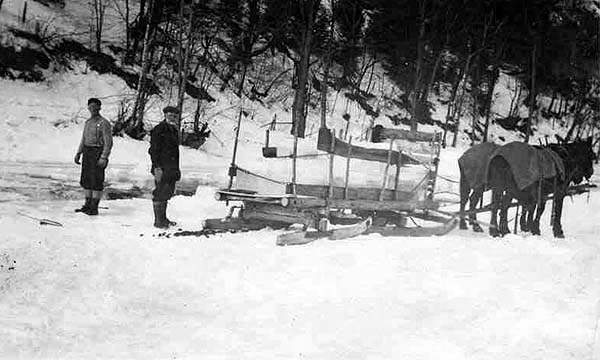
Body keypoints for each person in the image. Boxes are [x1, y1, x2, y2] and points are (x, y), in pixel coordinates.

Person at [74, 98, 113, 215]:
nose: (93, 109)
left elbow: (108, 142)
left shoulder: (104, 123)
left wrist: (104, 157)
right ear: (88, 108)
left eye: (95, 107)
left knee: (96, 180)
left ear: (99, 108)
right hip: (87, 152)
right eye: (90, 107)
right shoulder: (88, 122)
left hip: (97, 152)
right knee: (86, 179)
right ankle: (87, 205)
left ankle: (94, 207)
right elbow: (84, 139)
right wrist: (78, 153)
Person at [149, 106, 181, 228]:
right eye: (170, 115)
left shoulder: (173, 130)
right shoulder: (159, 129)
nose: (172, 117)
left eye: (174, 115)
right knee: (159, 192)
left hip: (171, 168)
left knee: (167, 192)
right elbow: (153, 150)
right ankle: (158, 221)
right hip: (161, 167)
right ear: (165, 115)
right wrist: (157, 167)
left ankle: (163, 218)